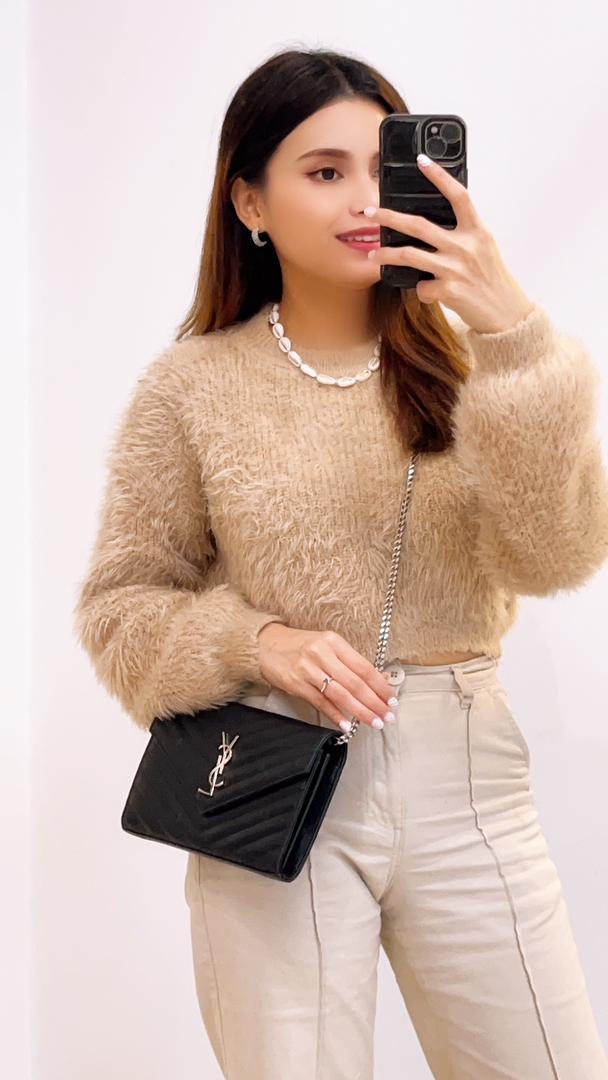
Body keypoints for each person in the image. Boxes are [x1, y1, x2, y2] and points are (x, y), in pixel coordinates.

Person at [73, 46, 608, 1080]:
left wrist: (512, 337)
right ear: (250, 202)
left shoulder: (475, 366)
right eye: (325, 172)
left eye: (382, 165)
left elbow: (558, 555)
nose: (366, 199)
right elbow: (121, 606)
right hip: (274, 776)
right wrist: (255, 641)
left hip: (467, 780)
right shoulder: (190, 389)